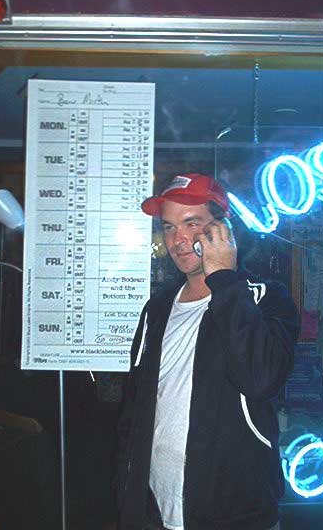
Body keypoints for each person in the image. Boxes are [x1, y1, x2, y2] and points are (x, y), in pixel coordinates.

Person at [115, 173, 299, 530]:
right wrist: (127, 493)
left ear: (222, 229)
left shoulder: (265, 298)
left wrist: (224, 280)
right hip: (154, 510)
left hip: (235, 514)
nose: (177, 240)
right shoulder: (157, 308)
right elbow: (134, 408)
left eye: (191, 223)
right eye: (169, 227)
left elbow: (260, 379)